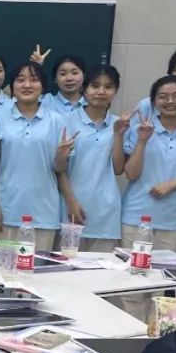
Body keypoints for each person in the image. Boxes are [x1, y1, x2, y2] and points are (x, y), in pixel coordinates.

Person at [0, 61, 66, 251]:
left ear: (43, 87)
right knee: (4, 267)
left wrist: (61, 156)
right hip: (7, 210)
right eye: (20, 80)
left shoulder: (56, 120)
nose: (27, 85)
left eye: (34, 80)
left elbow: (60, 169)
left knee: (39, 269)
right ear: (12, 86)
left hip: (44, 213)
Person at [53, 65, 126, 251]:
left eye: (108, 87)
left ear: (116, 90)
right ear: (84, 89)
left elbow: (118, 169)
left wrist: (118, 135)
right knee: (66, 266)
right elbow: (60, 169)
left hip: (106, 211)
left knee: (102, 268)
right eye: (95, 86)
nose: (101, 92)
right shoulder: (66, 121)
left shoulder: (118, 124)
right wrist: (71, 202)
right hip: (71, 207)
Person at [119, 76, 176, 253]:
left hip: (173, 220)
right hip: (136, 217)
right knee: (132, 268)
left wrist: (173, 184)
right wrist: (142, 141)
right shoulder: (141, 129)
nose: (170, 101)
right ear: (153, 102)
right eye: (163, 97)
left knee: (167, 269)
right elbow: (131, 173)